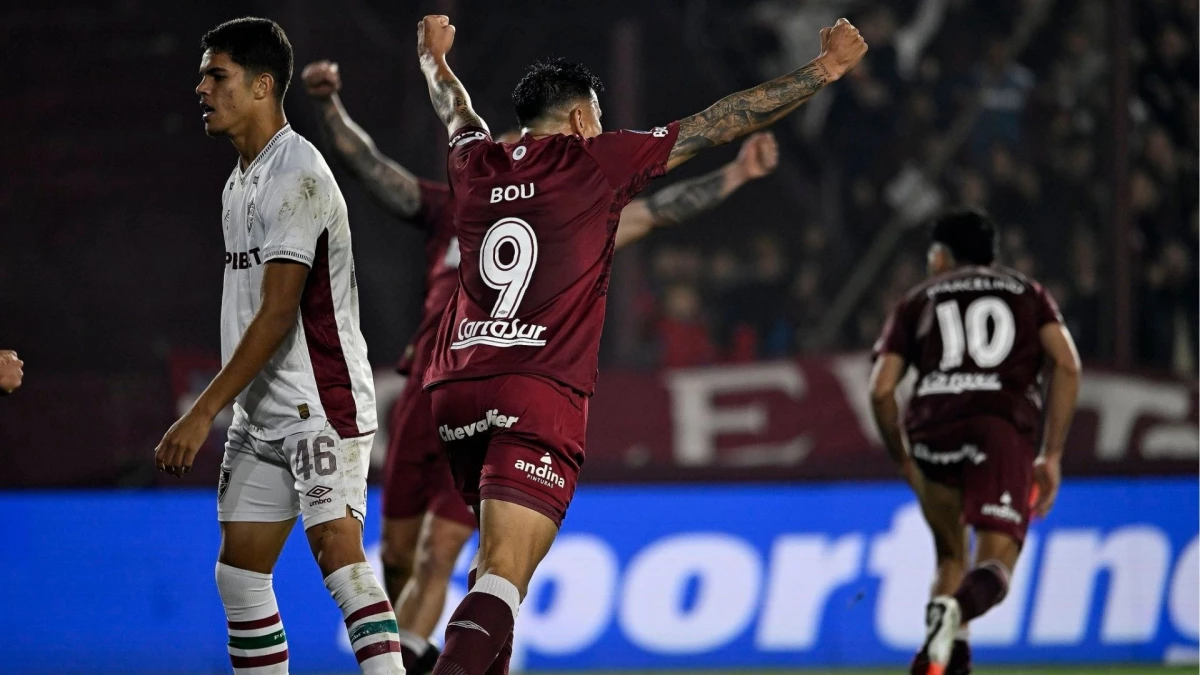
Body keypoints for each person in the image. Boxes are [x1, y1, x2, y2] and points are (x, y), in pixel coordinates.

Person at [414, 13, 866, 675]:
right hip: (536, 388)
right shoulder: (594, 160)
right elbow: (721, 119)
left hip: (455, 391)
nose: (601, 130)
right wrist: (822, 71)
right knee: (505, 574)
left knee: (493, 571)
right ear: (575, 121)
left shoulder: (471, 161)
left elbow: (452, 105)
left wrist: (433, 57)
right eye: (595, 119)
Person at [300, 58, 779, 674]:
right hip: (452, 382)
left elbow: (655, 212)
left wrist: (735, 177)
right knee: (405, 557)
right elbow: (374, 171)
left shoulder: (544, 199)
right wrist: (334, 108)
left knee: (448, 553)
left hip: (468, 381)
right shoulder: (461, 199)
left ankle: (415, 665)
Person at [153, 18, 404, 674]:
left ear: (263, 86)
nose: (201, 86)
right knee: (239, 576)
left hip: (317, 400)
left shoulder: (298, 173)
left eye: (218, 75)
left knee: (338, 555)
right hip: (260, 411)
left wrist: (202, 408)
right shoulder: (241, 180)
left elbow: (277, 312)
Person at [868, 208, 1081, 675]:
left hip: (931, 430)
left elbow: (881, 389)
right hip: (998, 428)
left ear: (941, 257)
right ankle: (956, 612)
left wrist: (902, 456)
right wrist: (1053, 454)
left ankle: (941, 662)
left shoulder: (916, 299)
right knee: (996, 562)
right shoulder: (1027, 293)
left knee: (949, 557)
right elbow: (1067, 364)